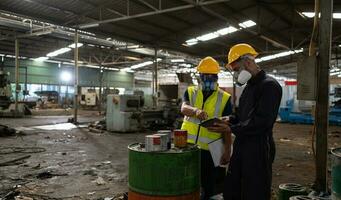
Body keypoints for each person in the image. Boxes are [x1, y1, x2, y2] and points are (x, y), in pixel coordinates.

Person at [208, 43, 282, 200]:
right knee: (234, 186)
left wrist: (231, 129)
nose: (235, 75)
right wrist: (227, 120)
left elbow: (262, 122)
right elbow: (241, 115)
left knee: (255, 190)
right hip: (242, 144)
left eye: (236, 70)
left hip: (259, 147)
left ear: (248, 62)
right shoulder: (248, 88)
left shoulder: (270, 86)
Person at [180, 56, 233, 200]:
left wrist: (227, 150)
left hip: (211, 151)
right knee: (187, 183)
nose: (208, 79)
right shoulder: (190, 92)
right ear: (199, 76)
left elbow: (227, 128)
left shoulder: (225, 98)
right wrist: (196, 111)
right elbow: (184, 108)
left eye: (211, 76)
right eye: (205, 76)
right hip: (188, 148)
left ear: (216, 77)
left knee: (210, 187)